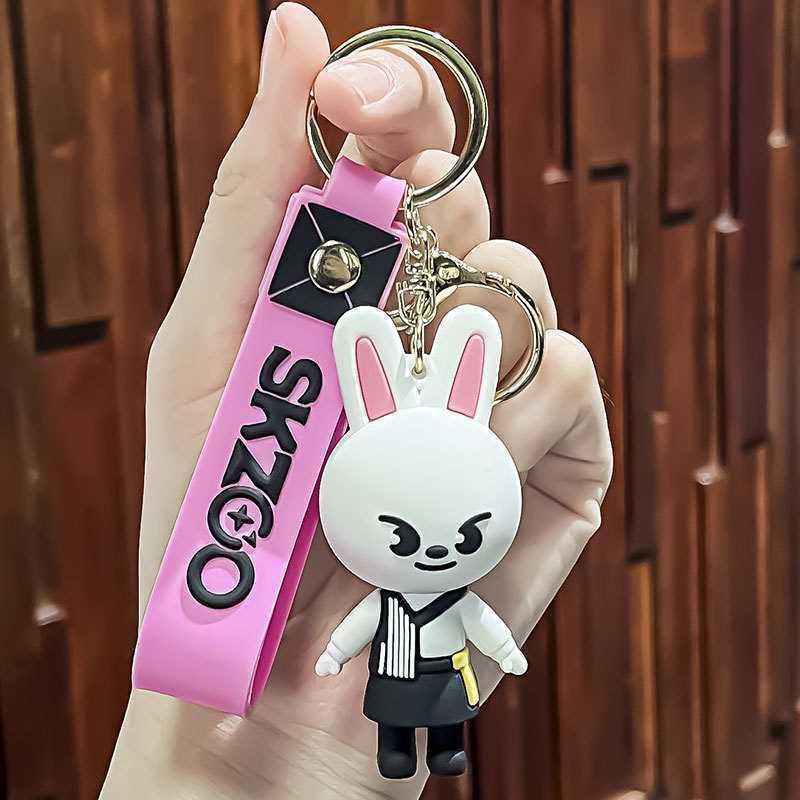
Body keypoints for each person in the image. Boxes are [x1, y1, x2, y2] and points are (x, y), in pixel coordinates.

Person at [100, 4, 612, 798]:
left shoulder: (425, 579)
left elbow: (469, 626)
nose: (434, 553)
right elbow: (358, 637)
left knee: (433, 712)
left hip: (397, 689)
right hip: (280, 647)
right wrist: (213, 760)